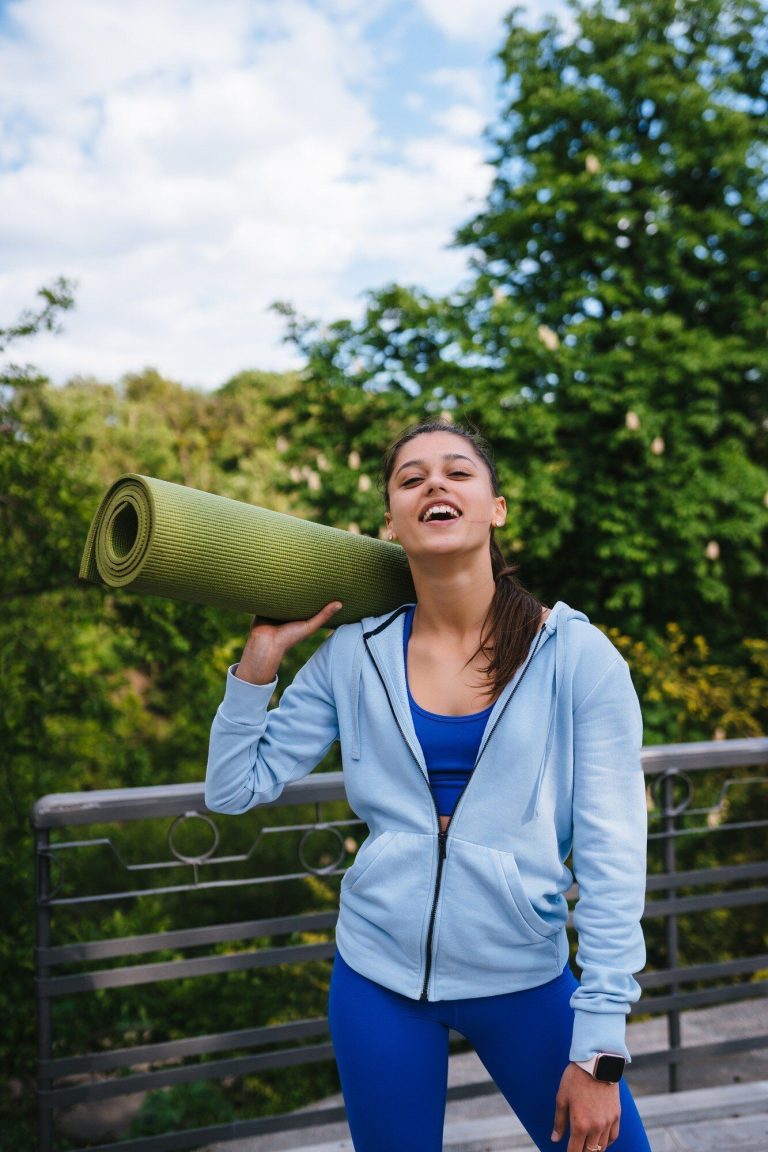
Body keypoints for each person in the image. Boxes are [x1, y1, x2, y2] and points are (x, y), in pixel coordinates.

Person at [205, 420, 652, 1152]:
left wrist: (600, 1046)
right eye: (411, 479)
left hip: (524, 978)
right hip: (375, 980)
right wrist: (258, 665)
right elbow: (232, 788)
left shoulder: (576, 657)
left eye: (456, 473)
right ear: (391, 523)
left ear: (495, 508)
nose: (434, 485)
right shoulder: (354, 655)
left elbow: (613, 859)